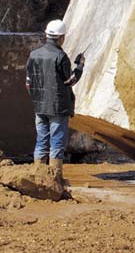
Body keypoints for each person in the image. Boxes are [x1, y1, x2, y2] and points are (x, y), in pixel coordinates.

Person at [25, 20, 84, 174]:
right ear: (61, 37)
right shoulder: (61, 56)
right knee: (57, 143)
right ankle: (54, 178)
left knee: (41, 142)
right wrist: (79, 66)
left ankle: (38, 177)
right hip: (58, 108)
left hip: (39, 107)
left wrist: (38, 99)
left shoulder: (33, 55)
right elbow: (71, 80)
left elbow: (28, 83)